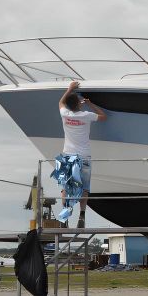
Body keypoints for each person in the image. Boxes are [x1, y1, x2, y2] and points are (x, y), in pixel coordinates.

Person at [59, 81, 107, 228]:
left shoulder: (65, 114)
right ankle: (82, 216)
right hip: (84, 156)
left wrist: (69, 89)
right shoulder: (86, 115)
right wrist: (90, 104)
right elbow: (103, 116)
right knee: (84, 188)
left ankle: (64, 218)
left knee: (65, 188)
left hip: (67, 156)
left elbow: (61, 102)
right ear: (78, 104)